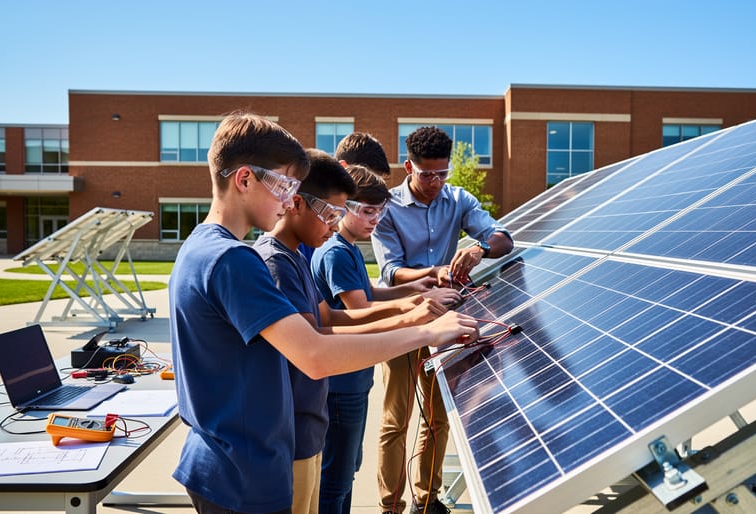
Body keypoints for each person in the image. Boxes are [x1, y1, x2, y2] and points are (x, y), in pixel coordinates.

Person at [168, 112, 479, 514]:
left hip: (221, 463)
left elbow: (320, 326)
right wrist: (427, 332)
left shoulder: (199, 246)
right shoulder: (234, 260)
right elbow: (315, 355)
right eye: (281, 185)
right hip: (244, 473)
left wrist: (411, 313)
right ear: (244, 179)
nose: (287, 200)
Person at [370, 126, 513, 514]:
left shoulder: (459, 199)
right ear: (408, 167)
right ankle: (390, 507)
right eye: (426, 174)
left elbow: (504, 239)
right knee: (395, 420)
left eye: (441, 174)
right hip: (403, 318)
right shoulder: (388, 207)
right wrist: (435, 273)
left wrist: (481, 249)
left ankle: (426, 500)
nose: (434, 182)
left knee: (437, 417)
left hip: (442, 322)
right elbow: (391, 273)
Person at [312, 162, 462, 514]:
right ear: (343, 207)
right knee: (336, 477)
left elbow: (370, 294)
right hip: (341, 381)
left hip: (354, 376)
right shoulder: (335, 252)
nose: (374, 220)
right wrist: (418, 309)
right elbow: (358, 308)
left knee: (346, 471)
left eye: (379, 212)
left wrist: (413, 288)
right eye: (367, 211)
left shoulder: (348, 248)